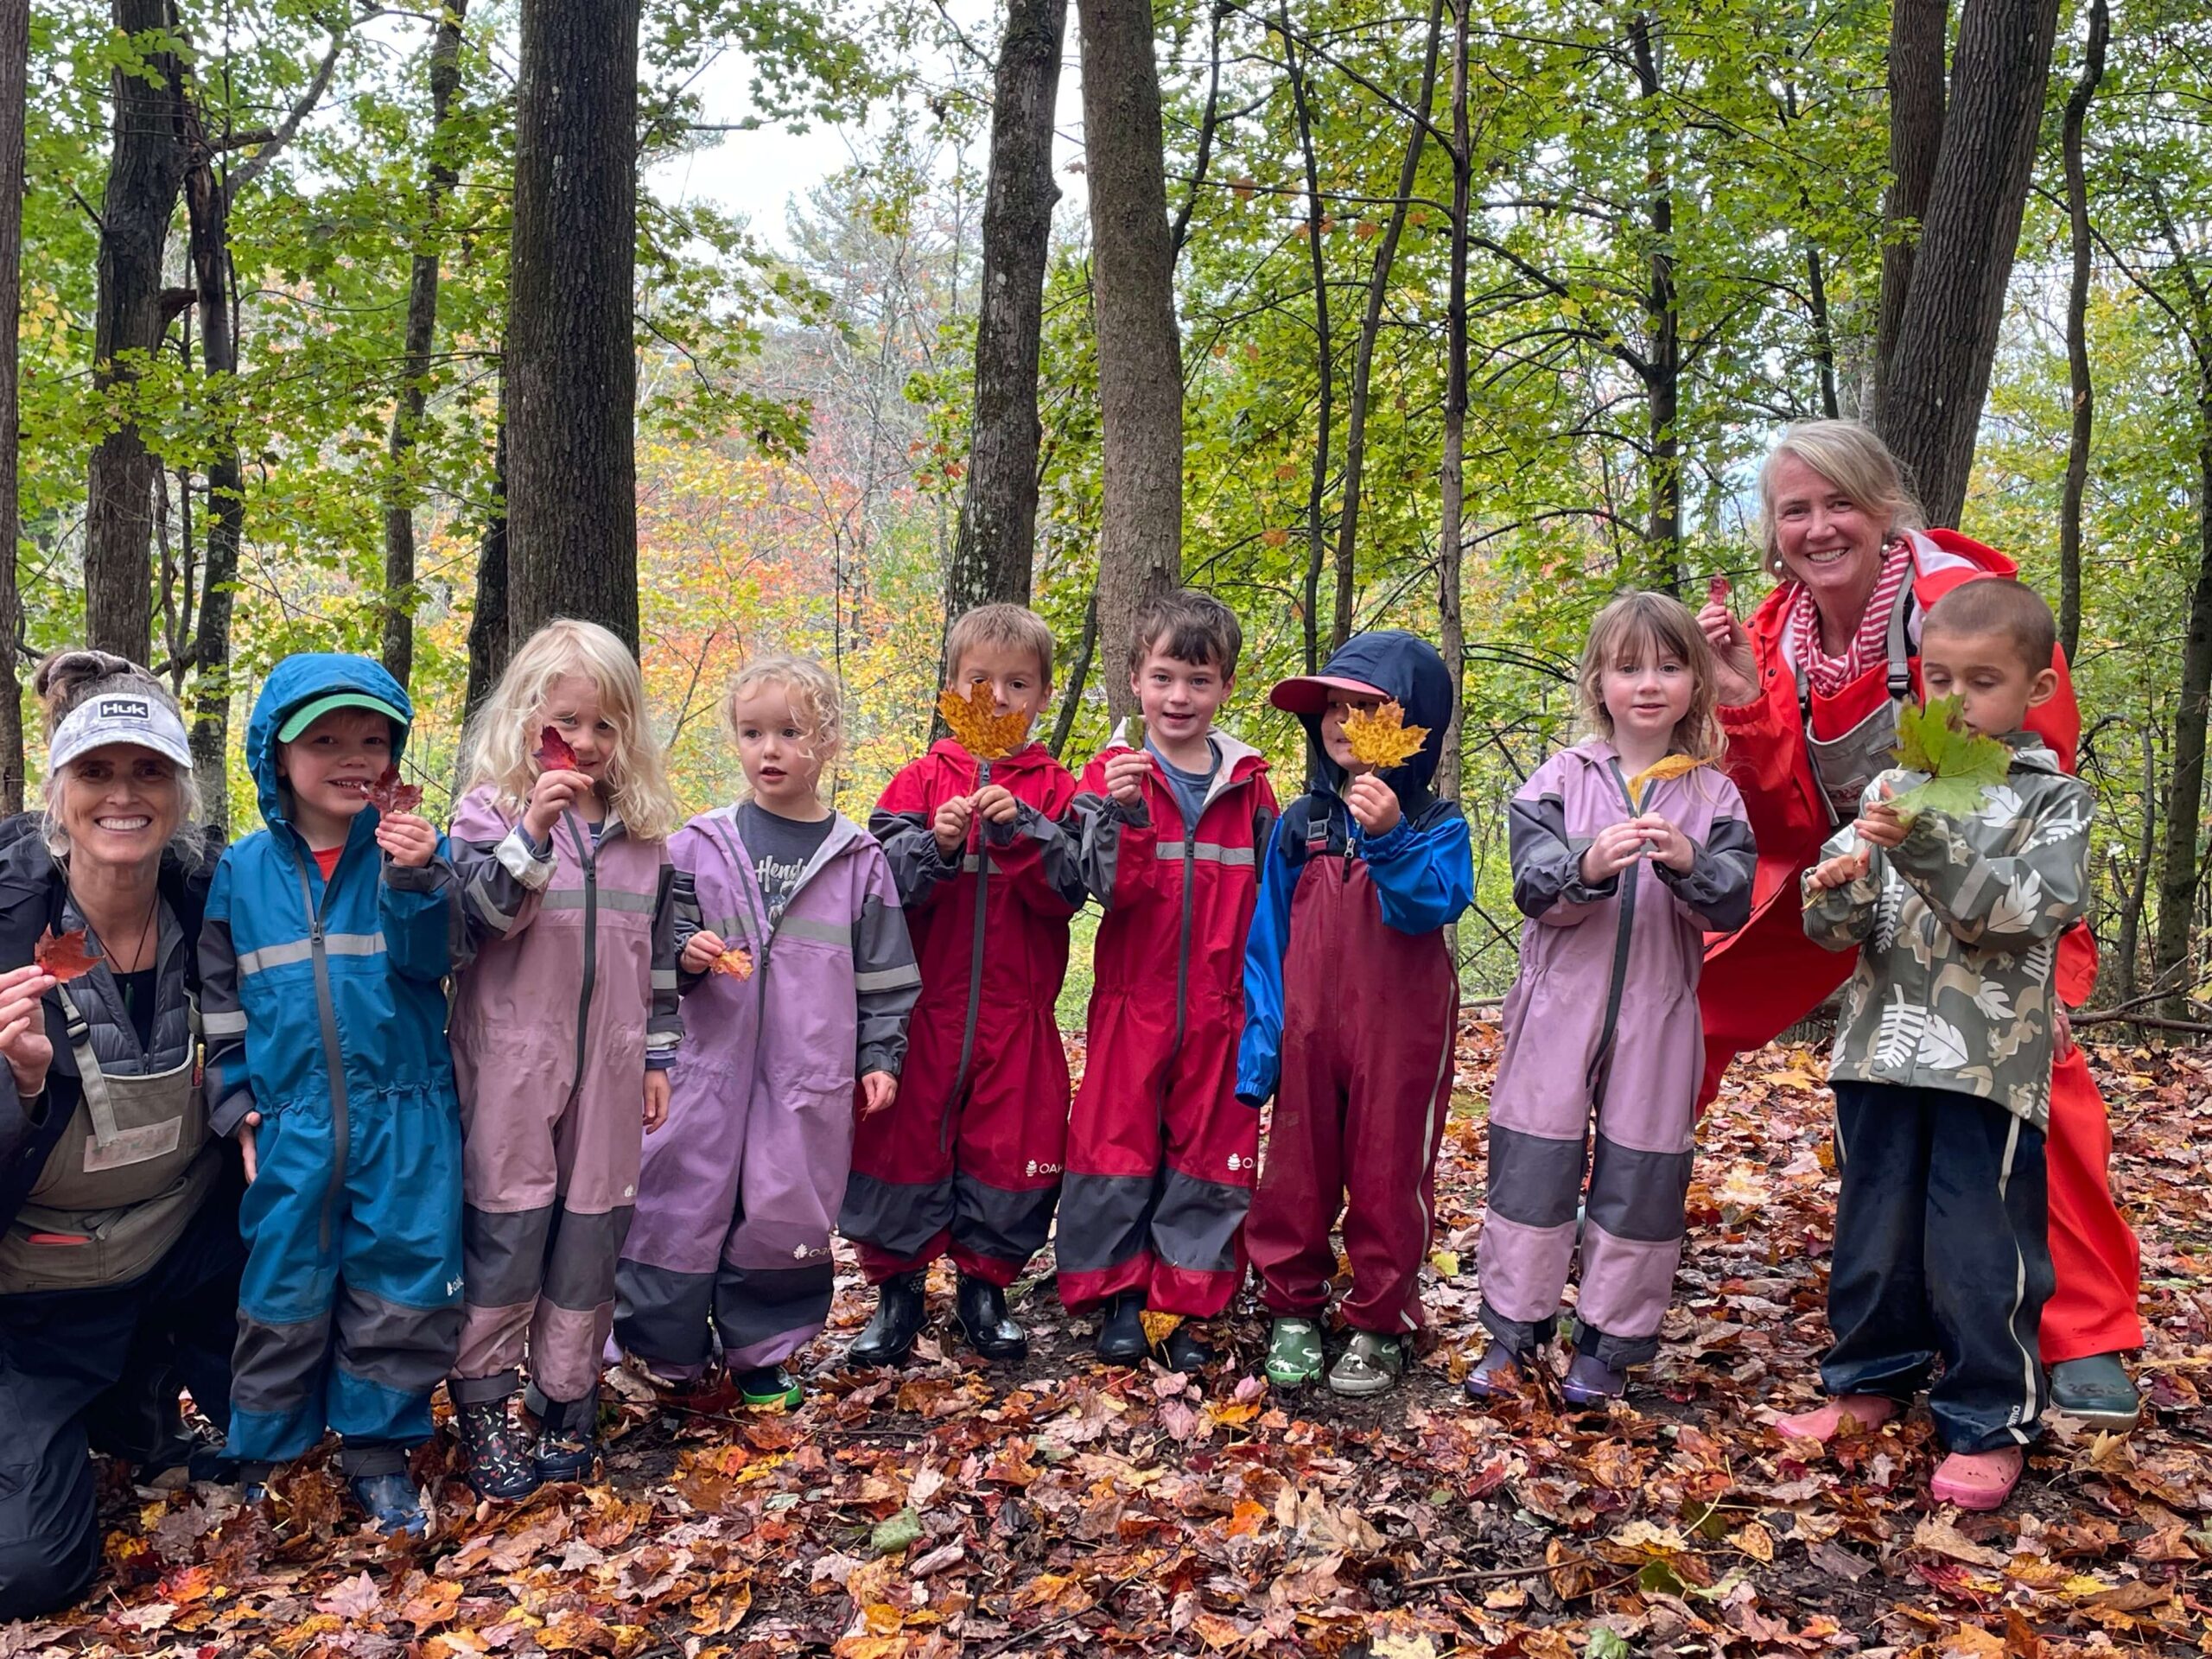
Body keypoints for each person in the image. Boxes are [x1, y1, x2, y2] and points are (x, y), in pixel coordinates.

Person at [1695, 419, 2142, 1428]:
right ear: (1773, 529)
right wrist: (1741, 707)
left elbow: (2039, 789)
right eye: (1795, 510)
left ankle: (2083, 1329)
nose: (1818, 528)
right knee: (1689, 999)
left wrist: (2049, 974)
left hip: (1979, 871)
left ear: (1883, 508)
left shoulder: (1966, 608)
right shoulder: (1768, 636)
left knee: (2043, 1070)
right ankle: (1620, 1222)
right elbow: (1786, 818)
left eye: (1838, 504)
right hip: (1857, 858)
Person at [1792, 579, 2088, 1510]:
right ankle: (1867, 1379)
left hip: (1984, 1067)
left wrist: (1921, 848)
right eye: (1940, 679)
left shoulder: (2055, 802)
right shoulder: (1892, 786)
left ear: (2036, 689)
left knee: (1979, 1246)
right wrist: (1838, 883)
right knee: (1873, 1230)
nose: (1957, 701)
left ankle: (1988, 1418)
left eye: (1984, 681)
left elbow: (2017, 914)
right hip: (1877, 1052)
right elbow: (1832, 929)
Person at [1463, 596, 1755, 1405]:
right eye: (1629, 668)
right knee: (1533, 1170)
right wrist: (1588, 866)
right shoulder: (1560, 778)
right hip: (1557, 1009)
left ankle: (1608, 1345)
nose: (1649, 684)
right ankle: (1514, 1333)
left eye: (1670, 666)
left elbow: (1730, 902)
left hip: (1660, 1015)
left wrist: (1689, 860)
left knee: (1643, 1173)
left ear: (1696, 683)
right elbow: (1531, 884)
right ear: (1599, 683)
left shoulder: (1713, 796)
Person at [200, 654, 467, 1536]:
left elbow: (433, 963)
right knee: (282, 1288)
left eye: (372, 741)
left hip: (407, 1114)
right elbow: (221, 1005)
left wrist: (416, 880)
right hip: (292, 1122)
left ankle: (378, 1451)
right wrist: (234, 1102)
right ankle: (269, 1457)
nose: (353, 758)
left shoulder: (414, 851)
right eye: (324, 742)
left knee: (402, 1282)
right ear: (276, 756)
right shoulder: (242, 871)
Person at [615, 658, 918, 1410]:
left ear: (829, 742)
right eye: (753, 733)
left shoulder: (858, 859)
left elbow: (885, 975)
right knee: (675, 1205)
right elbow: (655, 946)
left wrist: (880, 1055)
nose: (770, 750)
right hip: (702, 1073)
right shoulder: (698, 843)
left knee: (784, 1212)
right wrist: (686, 955)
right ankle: (666, 1353)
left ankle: (763, 1357)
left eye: (791, 732)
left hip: (804, 1076)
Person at [0, 652, 236, 1619]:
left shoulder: (216, 901)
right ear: (58, 791)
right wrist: (16, 1090)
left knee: (300, 1424)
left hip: (183, 1254)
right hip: (33, 1297)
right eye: (96, 773)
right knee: (28, 1574)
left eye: (149, 772)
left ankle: (144, 1397)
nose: (124, 796)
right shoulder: (7, 927)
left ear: (180, 792)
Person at [445, 620, 683, 1500]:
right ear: (527, 719)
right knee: (507, 1230)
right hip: (510, 1064)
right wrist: (533, 834)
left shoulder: (645, 837)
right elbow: (473, 924)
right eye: (567, 722)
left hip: (611, 1068)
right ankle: (483, 1398)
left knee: (590, 1233)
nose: (584, 742)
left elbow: (660, 960)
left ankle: (565, 1393)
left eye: (605, 725)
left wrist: (657, 1056)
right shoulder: (488, 814)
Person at [842, 605, 1085, 1367]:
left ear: (1043, 695)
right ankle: (898, 1289)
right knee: (901, 1142)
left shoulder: (1058, 790)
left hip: (1017, 1013)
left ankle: (986, 1288)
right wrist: (935, 845)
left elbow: (1069, 889)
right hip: (924, 1010)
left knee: (1010, 1147)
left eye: (1017, 684)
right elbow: (877, 886)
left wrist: (1022, 831)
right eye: (979, 682)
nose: (998, 699)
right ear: (951, 689)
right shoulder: (918, 780)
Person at [1236, 630, 1474, 1396]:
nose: (1343, 723)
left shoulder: (1437, 823)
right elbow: (1268, 937)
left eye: (1367, 709)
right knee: (1296, 1173)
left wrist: (1391, 839)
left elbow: (1434, 904)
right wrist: (1263, 1040)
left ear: (1414, 724)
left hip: (1400, 1035)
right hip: (1309, 1032)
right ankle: (1292, 1305)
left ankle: (1380, 1318)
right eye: (1333, 708)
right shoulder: (1302, 822)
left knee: (1388, 1172)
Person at [1059, 590, 1277, 1371]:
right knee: (1115, 1144)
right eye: (1162, 678)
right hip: (1133, 1000)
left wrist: (1268, 1008)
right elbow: (1102, 889)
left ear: (1225, 687)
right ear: (1135, 680)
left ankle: (1181, 1301)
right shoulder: (1109, 775)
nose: (1178, 697)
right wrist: (1120, 816)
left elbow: (1273, 905)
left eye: (1198, 680)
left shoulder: (1250, 785)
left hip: (1222, 1005)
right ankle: (1118, 1294)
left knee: (1208, 1153)